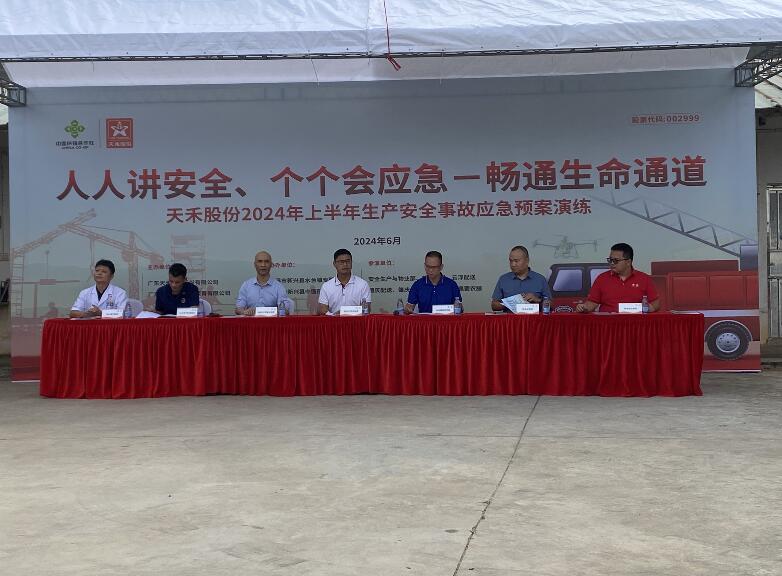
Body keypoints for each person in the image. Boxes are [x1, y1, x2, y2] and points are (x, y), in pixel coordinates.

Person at [576, 242, 660, 313]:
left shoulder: (644, 278)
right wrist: (584, 307)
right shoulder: (602, 278)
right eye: (610, 260)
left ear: (628, 262)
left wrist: (648, 308)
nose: (612, 263)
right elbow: (592, 302)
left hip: (635, 323)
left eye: (616, 260)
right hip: (607, 323)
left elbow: (656, 303)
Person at [491, 245, 551, 311]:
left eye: (516, 261)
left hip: (534, 317)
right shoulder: (503, 279)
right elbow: (494, 305)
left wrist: (538, 300)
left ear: (527, 261)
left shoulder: (540, 279)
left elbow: (551, 305)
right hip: (510, 317)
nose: (513, 264)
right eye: (511, 261)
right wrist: (509, 304)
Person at [235, 251, 294, 315]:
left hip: (272, 320)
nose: (263, 265)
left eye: (266, 261)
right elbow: (238, 309)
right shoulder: (246, 285)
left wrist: (274, 312)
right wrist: (244, 312)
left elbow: (285, 310)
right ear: (255, 264)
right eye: (260, 261)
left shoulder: (278, 287)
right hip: (251, 321)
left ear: (271, 265)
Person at [317, 248, 371, 314]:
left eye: (348, 261)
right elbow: (322, 309)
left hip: (356, 320)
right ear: (334, 264)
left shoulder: (363, 284)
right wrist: (335, 316)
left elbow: (366, 309)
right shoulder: (326, 286)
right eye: (341, 262)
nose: (345, 264)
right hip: (333, 320)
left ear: (351, 262)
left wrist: (343, 313)